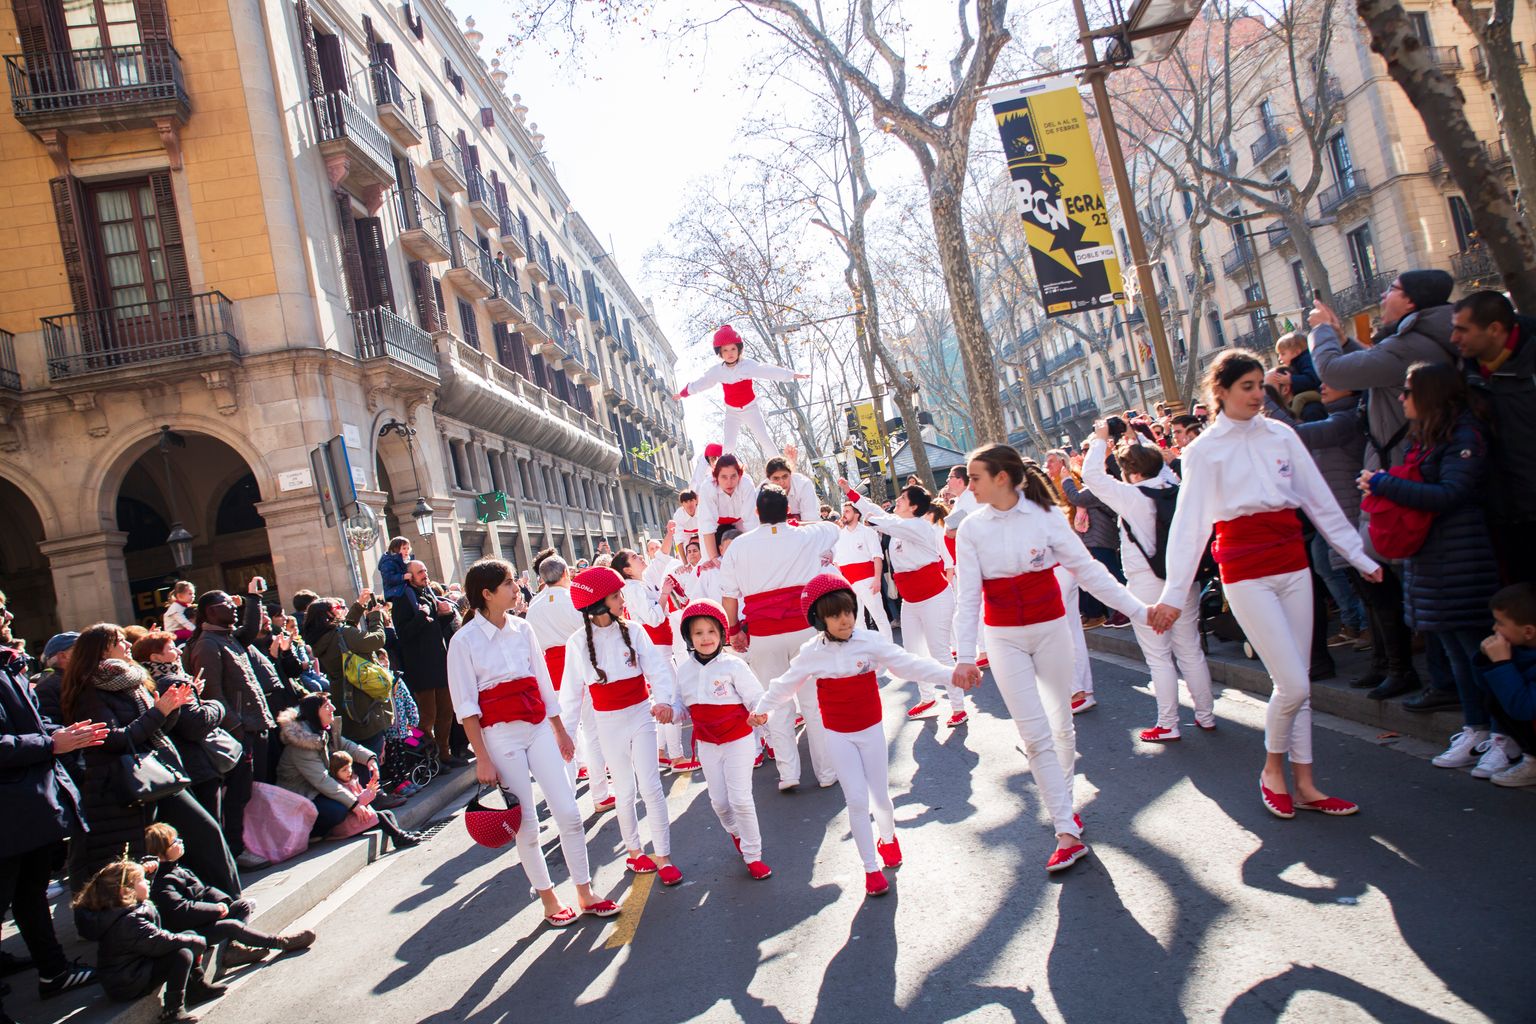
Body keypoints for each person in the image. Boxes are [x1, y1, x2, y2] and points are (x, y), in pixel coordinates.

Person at [1150, 351, 1382, 820]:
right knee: (1292, 682)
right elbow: (1190, 526)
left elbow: (1318, 500)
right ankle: (1273, 771)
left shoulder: (1282, 435)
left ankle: (1307, 783)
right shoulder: (1203, 450)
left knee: (1300, 686)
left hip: (1292, 561)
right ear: (1222, 391)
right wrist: (1174, 595)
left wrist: (1357, 556)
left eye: (1262, 385)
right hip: (1243, 567)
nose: (1259, 395)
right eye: (1248, 387)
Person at [951, 447, 1151, 873]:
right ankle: (1066, 830)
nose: (969, 486)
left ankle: (1064, 803)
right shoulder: (971, 529)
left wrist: (1140, 611)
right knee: (1035, 732)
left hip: (1051, 632)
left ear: (1002, 478)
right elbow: (967, 598)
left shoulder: (1046, 519)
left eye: (975, 477)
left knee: (1061, 724)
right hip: (1003, 638)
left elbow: (1090, 571)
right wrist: (965, 658)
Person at [753, 574, 954, 896]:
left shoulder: (869, 642)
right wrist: (764, 708)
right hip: (839, 735)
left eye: (848, 611)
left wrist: (951, 674)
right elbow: (785, 683)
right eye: (834, 614)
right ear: (820, 619)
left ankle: (888, 837)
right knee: (857, 801)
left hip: (871, 730)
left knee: (881, 799)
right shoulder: (810, 652)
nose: (844, 619)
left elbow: (909, 664)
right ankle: (871, 869)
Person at [1309, 271, 1457, 703]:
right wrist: (1342, 336)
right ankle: (1410, 671)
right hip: (1394, 471)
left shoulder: (1414, 344)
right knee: (1398, 582)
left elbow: (1336, 369)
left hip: (1401, 473)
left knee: (1408, 584)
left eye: (1391, 289)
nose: (1383, 295)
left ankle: (1433, 681)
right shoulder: (1415, 339)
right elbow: (1374, 368)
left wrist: (1321, 331)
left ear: (1410, 302)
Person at [1358, 362, 1501, 771]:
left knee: (1477, 654)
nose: (1401, 397)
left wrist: (1385, 483)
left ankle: (1501, 735)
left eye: (1407, 390)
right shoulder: (1429, 438)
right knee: (1458, 654)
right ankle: (1476, 728)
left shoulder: (1463, 434)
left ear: (1431, 394)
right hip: (1435, 557)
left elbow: (1451, 493)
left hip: (1462, 556)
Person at [61, 625, 241, 898]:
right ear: (102, 649)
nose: (126, 644)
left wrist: (171, 708)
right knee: (192, 837)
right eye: (119, 640)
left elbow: (155, 729)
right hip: (126, 782)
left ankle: (221, 901)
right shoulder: (90, 691)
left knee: (195, 837)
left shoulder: (133, 679)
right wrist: (160, 711)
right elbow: (116, 739)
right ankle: (222, 902)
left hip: (155, 772)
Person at [1081, 429, 1216, 741]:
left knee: (1158, 656)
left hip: (1146, 584)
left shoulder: (1132, 496)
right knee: (1190, 649)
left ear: (1135, 473)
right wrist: (1134, 436)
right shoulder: (1175, 485)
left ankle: (1168, 724)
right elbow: (1157, 464)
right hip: (1183, 579)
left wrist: (1101, 438)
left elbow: (1091, 474)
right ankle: (1205, 715)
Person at [560, 566, 683, 886]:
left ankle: (665, 855)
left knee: (651, 786)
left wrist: (665, 702)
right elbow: (571, 695)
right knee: (625, 790)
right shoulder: (577, 643)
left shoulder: (635, 631)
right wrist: (567, 736)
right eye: (615, 595)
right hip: (608, 723)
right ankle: (634, 851)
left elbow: (657, 669)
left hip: (641, 714)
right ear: (597, 602)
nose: (621, 599)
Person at [0, 641, 101, 1016]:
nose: (6, 615)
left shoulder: (9, 665)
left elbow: (28, 723)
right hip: (12, 809)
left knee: (31, 892)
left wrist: (66, 733)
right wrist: (49, 743)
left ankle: (54, 971)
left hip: (27, 806)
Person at [720, 485, 841, 791]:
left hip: (764, 634)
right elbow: (832, 527)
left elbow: (729, 597)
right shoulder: (805, 535)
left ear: (757, 513)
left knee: (776, 703)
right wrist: (799, 524)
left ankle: (789, 774)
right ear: (787, 510)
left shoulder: (738, 546)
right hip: (805, 630)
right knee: (814, 704)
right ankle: (826, 773)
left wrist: (734, 632)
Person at [843, 479, 967, 727]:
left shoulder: (919, 527)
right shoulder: (900, 526)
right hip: (911, 601)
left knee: (939, 652)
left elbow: (884, 520)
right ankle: (928, 697)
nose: (897, 501)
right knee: (913, 654)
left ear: (913, 507)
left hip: (935, 598)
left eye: (902, 499)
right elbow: (879, 514)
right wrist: (851, 493)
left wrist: (864, 508)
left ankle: (958, 706)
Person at [670, 601, 771, 880]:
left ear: (722, 634)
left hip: (738, 740)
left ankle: (753, 855)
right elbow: (681, 709)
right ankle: (737, 833)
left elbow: (757, 699)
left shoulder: (733, 665)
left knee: (740, 799)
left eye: (711, 631)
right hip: (706, 744)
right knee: (719, 803)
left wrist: (760, 715)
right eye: (698, 633)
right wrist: (669, 712)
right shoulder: (684, 670)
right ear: (689, 637)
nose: (706, 638)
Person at [143, 823, 313, 974]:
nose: (180, 842)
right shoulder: (162, 881)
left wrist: (223, 901)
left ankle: (233, 950)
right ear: (162, 851)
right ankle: (280, 942)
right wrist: (214, 910)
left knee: (242, 906)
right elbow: (181, 910)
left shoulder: (179, 868)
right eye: (175, 842)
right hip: (192, 930)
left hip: (203, 919)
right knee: (231, 925)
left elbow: (204, 890)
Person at [1450, 290, 1536, 586]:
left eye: (1462, 329)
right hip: (1501, 517)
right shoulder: (1465, 374)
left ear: (1495, 329)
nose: (1454, 338)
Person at [184, 583, 274, 868]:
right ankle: (235, 849)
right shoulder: (207, 645)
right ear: (210, 611)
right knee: (237, 795)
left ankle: (255, 841)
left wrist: (253, 598)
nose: (233, 608)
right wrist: (238, 730)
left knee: (251, 790)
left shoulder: (229, 638)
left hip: (253, 726)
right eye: (226, 604)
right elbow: (212, 694)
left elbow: (250, 628)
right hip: (238, 733)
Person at [525, 548, 613, 811]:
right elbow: (589, 633)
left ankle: (565, 796)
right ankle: (600, 793)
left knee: (564, 732)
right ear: (565, 573)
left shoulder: (534, 606)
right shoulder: (573, 598)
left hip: (551, 673)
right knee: (591, 728)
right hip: (579, 667)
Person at [72, 859, 208, 1022]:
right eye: (142, 880)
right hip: (127, 982)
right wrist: (197, 942)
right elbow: (161, 942)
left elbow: (141, 896)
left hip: (133, 970)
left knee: (188, 936)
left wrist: (146, 872)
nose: (148, 882)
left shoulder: (121, 908)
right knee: (182, 954)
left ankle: (197, 987)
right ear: (125, 892)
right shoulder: (129, 922)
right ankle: (173, 1010)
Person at [611, 542, 696, 773]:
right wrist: (665, 595)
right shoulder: (634, 588)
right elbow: (653, 618)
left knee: (665, 697)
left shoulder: (637, 585)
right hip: (656, 648)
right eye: (635, 557)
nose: (640, 558)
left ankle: (660, 753)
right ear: (627, 569)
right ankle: (677, 756)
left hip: (658, 647)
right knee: (670, 698)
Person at [133, 633, 229, 823]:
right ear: (155, 658)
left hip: (175, 767)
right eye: (171, 648)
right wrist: (216, 705)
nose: (178, 651)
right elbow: (196, 723)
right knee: (212, 826)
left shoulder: (144, 684)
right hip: (195, 764)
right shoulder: (172, 681)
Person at [274, 694, 397, 841]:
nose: (333, 708)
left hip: (318, 791)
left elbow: (346, 745)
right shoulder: (301, 745)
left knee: (354, 777)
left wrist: (370, 759)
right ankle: (317, 833)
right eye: (326, 706)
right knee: (338, 811)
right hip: (302, 798)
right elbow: (322, 780)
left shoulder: (323, 730)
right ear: (314, 713)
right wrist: (354, 804)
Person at [675, 324, 810, 453]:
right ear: (720, 353)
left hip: (751, 409)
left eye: (733, 349)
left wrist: (792, 374)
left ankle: (780, 469)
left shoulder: (747, 366)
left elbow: (767, 370)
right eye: (725, 350)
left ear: (739, 349)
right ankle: (723, 474)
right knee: (729, 445)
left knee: (764, 439)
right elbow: (702, 383)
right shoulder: (717, 371)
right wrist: (683, 393)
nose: (730, 353)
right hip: (732, 412)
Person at [299, 593, 397, 765]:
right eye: (337, 608)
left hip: (344, 698)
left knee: (358, 751)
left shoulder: (322, 638)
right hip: (363, 697)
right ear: (328, 615)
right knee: (371, 752)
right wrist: (375, 616)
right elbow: (376, 640)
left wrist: (358, 606)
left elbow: (346, 634)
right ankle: (375, 787)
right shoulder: (341, 634)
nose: (341, 610)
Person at [390, 561, 460, 768]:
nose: (425, 574)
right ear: (409, 576)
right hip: (421, 668)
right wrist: (421, 615)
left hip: (439, 664)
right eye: (420, 571)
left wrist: (445, 616)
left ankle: (444, 754)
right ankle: (428, 757)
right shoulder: (403, 599)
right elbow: (403, 634)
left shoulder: (428, 594)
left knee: (446, 713)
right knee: (426, 717)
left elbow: (435, 630)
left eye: (425, 570)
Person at [1475, 583, 1536, 786]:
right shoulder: (1521, 648)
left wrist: (1502, 664)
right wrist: (1487, 659)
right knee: (1494, 699)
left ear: (1528, 631)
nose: (1494, 629)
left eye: (1500, 623)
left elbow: (1523, 709)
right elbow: (1485, 688)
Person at [320, 752, 425, 850]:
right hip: (348, 823)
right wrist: (367, 794)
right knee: (379, 816)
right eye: (344, 770)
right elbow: (353, 802)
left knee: (388, 813)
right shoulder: (338, 787)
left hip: (359, 817)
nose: (349, 772)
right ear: (335, 772)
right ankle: (399, 836)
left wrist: (369, 792)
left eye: (349, 768)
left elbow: (361, 798)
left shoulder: (353, 780)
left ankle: (399, 834)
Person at [834, 502, 892, 641]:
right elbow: (837, 562)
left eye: (847, 511)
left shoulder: (868, 532)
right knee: (858, 620)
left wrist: (877, 579)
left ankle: (889, 649)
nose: (844, 514)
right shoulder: (839, 535)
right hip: (849, 583)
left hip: (868, 579)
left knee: (879, 616)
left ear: (856, 514)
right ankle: (867, 651)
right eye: (844, 511)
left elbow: (877, 557)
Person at [698, 455, 761, 561]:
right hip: (713, 522)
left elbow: (751, 523)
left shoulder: (746, 484)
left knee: (752, 556)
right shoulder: (707, 487)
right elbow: (707, 525)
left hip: (739, 520)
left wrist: (753, 553)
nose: (729, 482)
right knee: (708, 562)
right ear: (716, 477)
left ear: (739, 475)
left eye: (733, 476)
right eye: (724, 477)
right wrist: (714, 558)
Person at [31, 631, 78, 725]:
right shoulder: (47, 689)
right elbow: (53, 728)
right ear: (63, 656)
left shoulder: (85, 680)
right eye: (83, 650)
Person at [763, 452, 820, 525]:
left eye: (785, 477)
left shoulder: (804, 485)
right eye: (776, 478)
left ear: (791, 474)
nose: (781, 482)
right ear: (769, 479)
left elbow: (811, 523)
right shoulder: (763, 491)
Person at [1276, 331, 1321, 396]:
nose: (1279, 358)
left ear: (1296, 352)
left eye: (1283, 354)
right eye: (1279, 354)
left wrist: (1291, 379)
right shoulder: (1296, 363)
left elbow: (1312, 379)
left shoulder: (1306, 360)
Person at [377, 536, 413, 603]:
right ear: (396, 549)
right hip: (394, 592)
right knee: (409, 591)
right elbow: (388, 578)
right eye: (404, 548)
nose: (407, 551)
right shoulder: (387, 562)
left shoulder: (406, 560)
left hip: (402, 589)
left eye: (408, 548)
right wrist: (403, 577)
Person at [670, 490, 701, 554]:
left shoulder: (703, 510)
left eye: (691, 500)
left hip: (703, 531)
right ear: (682, 504)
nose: (689, 504)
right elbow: (679, 542)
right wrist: (685, 563)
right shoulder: (678, 515)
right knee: (685, 549)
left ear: (696, 501)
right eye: (686, 502)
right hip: (686, 533)